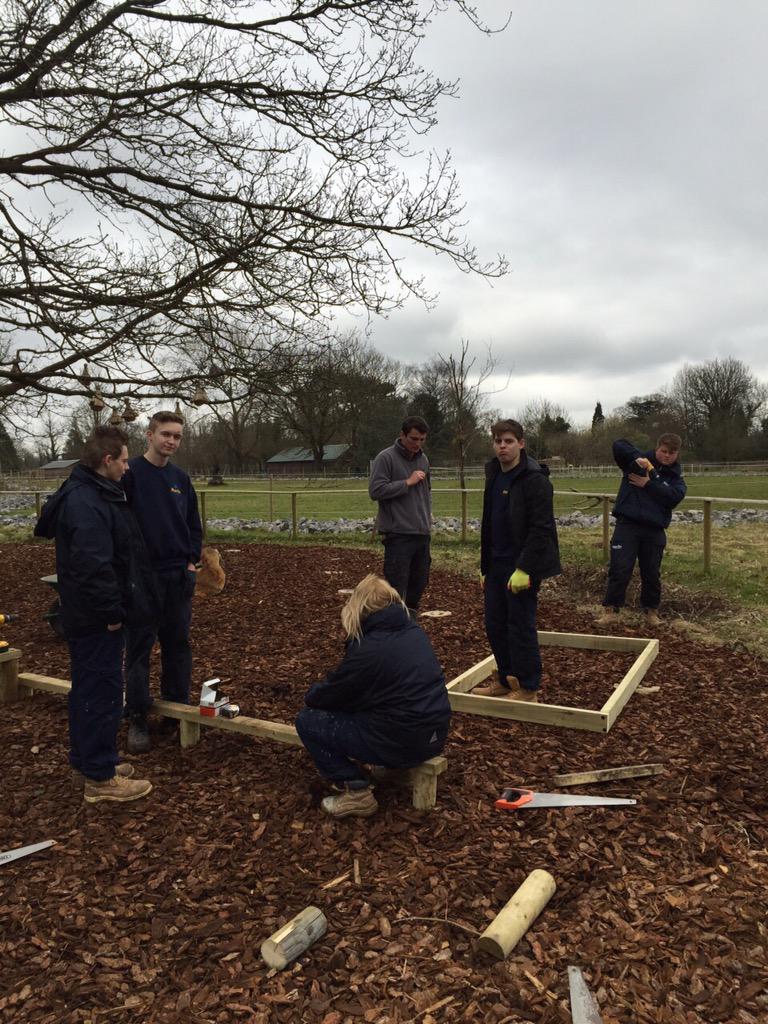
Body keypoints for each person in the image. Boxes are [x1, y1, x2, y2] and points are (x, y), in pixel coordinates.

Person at [34, 426, 155, 804]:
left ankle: (87, 762)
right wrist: (112, 613)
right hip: (95, 617)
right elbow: (92, 565)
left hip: (88, 614)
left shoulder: (91, 492)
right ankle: (100, 779)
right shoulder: (86, 502)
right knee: (101, 692)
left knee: (89, 689)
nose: (126, 467)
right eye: (122, 460)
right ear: (107, 460)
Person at [295, 574, 451, 819]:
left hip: (403, 739)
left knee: (308, 720)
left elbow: (333, 695)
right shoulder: (413, 632)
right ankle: (397, 769)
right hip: (433, 735)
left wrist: (312, 693)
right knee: (383, 708)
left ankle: (356, 790)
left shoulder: (369, 649)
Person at [123, 411, 202, 753]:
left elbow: (192, 524)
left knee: (178, 644)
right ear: (150, 434)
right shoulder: (131, 475)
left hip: (177, 576)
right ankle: (138, 716)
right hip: (142, 576)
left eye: (177, 436)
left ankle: (177, 708)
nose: (171, 441)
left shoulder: (180, 479)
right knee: (140, 648)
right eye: (165, 434)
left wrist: (191, 563)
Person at [473, 420, 561, 702]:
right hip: (497, 565)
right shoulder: (494, 475)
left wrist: (525, 568)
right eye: (498, 441)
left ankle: (528, 687)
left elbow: (541, 528)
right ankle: (506, 678)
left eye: (509, 441)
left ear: (521, 443)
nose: (502, 446)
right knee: (495, 624)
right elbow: (489, 524)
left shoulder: (535, 480)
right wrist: (485, 566)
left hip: (522, 567)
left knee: (520, 626)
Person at [596, 434, 686, 628]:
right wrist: (637, 457)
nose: (667, 456)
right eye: (663, 451)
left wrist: (648, 484)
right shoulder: (637, 464)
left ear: (677, 454)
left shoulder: (675, 478)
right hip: (628, 525)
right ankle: (611, 610)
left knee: (652, 573)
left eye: (671, 453)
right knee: (620, 568)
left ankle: (651, 612)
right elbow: (618, 443)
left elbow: (673, 497)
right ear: (657, 448)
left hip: (654, 530)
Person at [368, 416, 431, 613]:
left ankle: (410, 631)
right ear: (402, 435)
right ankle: (393, 634)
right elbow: (375, 491)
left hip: (422, 535)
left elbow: (426, 492)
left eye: (422, 439)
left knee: (418, 587)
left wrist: (427, 517)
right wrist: (406, 482)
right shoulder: (385, 458)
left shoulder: (423, 459)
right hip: (398, 536)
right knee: (396, 592)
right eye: (413, 438)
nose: (417, 444)